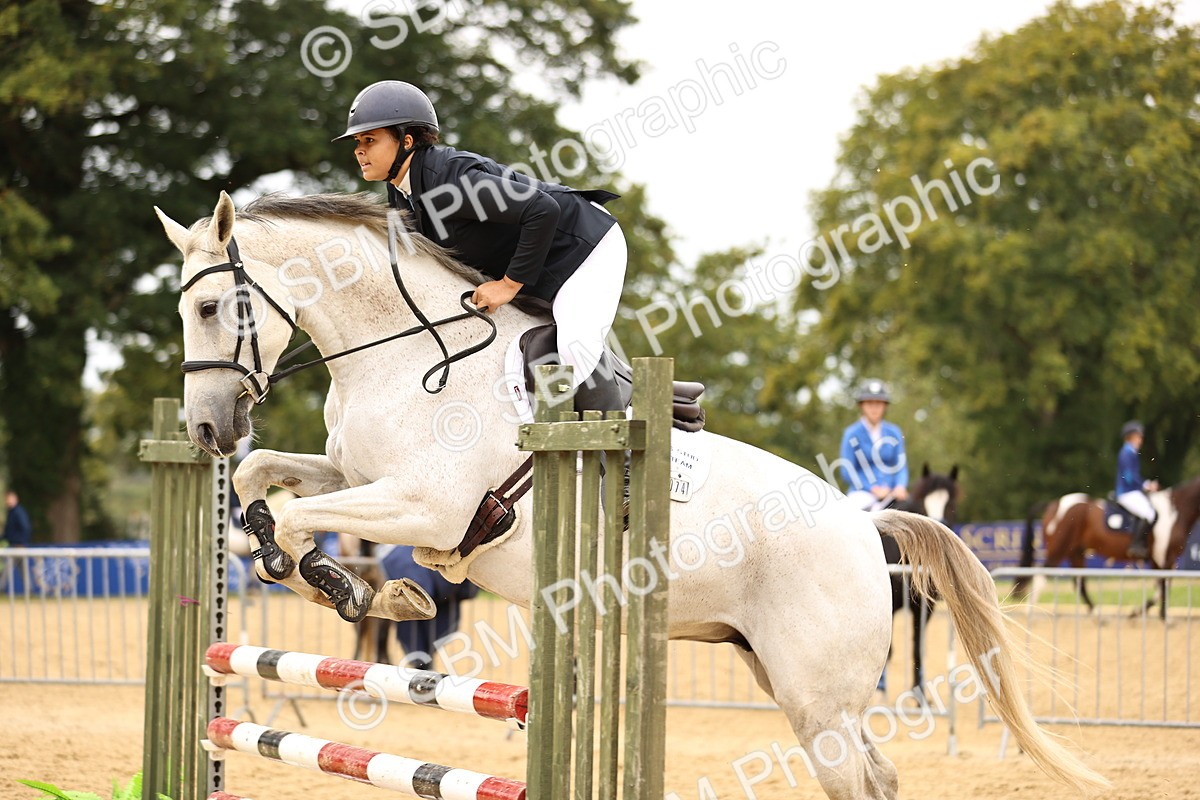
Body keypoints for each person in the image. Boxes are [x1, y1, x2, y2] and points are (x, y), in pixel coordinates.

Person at [333, 80, 628, 411]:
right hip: (541, 259)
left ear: (407, 140)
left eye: (370, 140)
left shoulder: (450, 180)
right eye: (358, 142)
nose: (359, 150)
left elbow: (542, 209)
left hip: (585, 245)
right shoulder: (402, 191)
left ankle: (622, 456)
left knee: (575, 347)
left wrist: (507, 286)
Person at [839, 379, 909, 511]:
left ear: (885, 406)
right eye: (870, 403)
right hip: (862, 494)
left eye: (879, 403)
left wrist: (900, 486)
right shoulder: (852, 434)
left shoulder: (894, 432)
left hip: (891, 493)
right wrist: (873, 489)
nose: (874, 408)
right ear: (862, 406)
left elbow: (901, 466)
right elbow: (847, 470)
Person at [1115, 420, 1158, 559]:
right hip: (1127, 493)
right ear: (1131, 437)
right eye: (1139, 436)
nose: (1141, 440)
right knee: (1149, 513)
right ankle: (1136, 545)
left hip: (1132, 491)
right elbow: (1129, 477)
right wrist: (1146, 485)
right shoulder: (1127, 453)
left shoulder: (1130, 452)